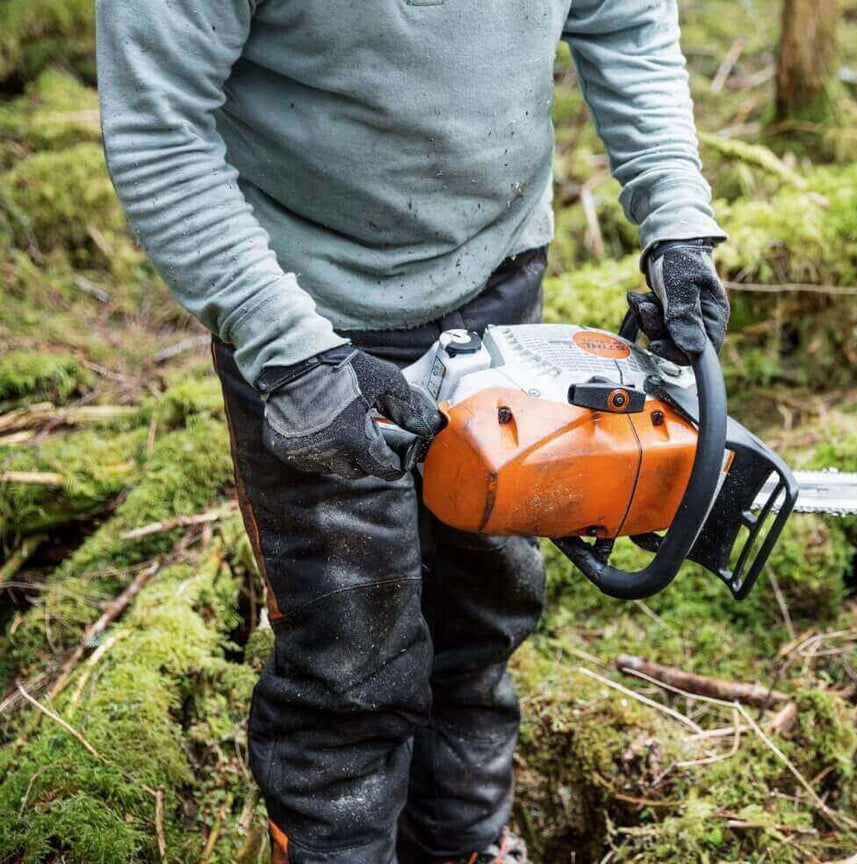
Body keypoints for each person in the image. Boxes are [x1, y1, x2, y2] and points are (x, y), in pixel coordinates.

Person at [97, 0, 727, 861]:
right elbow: (158, 134)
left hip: (497, 275)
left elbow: (625, 22)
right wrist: (292, 355)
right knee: (350, 662)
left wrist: (677, 218)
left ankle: (462, 843)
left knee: (481, 618)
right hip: (308, 312)